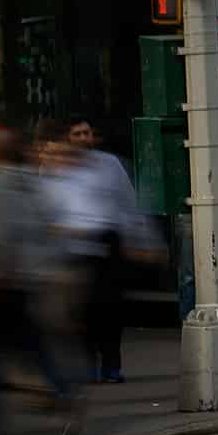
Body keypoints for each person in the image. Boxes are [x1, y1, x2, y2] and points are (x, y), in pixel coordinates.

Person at [0, 125, 73, 435]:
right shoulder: (29, 183)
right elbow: (47, 228)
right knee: (32, 345)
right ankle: (64, 397)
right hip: (28, 278)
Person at [40, 117, 155, 385]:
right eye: (77, 133)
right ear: (67, 138)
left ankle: (111, 364)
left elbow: (128, 202)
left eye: (87, 133)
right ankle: (88, 363)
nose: (83, 138)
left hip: (107, 241)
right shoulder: (53, 168)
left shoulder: (109, 165)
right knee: (83, 309)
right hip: (72, 246)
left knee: (112, 308)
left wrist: (141, 239)